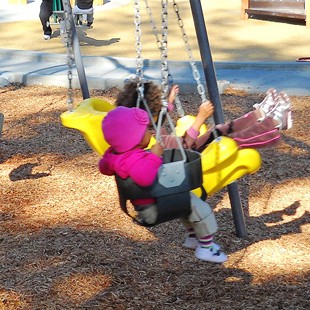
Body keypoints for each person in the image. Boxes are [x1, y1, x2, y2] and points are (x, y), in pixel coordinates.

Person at [99, 106, 228, 263]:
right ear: (136, 138)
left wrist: (111, 151)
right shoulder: (134, 159)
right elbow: (145, 178)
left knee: (187, 208)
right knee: (199, 207)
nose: (150, 132)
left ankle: (194, 238)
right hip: (156, 206)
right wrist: (154, 156)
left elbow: (103, 167)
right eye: (146, 130)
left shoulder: (117, 157)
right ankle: (206, 249)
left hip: (146, 206)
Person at [115, 81, 293, 152]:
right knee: (229, 142)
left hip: (186, 152)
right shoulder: (153, 140)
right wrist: (201, 117)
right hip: (192, 160)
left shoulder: (138, 125)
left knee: (219, 130)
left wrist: (168, 103)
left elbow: (158, 118)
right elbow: (184, 146)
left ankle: (260, 113)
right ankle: (275, 122)